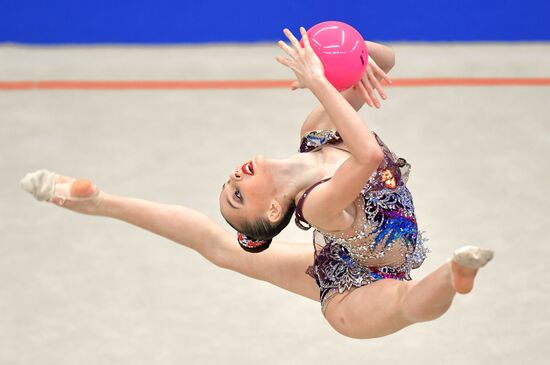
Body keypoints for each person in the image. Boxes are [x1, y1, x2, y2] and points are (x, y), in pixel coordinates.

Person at [20, 27, 493, 339]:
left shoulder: (316, 133)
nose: (234, 177)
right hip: (354, 299)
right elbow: (367, 155)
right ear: (273, 213)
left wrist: (352, 51)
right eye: (238, 196)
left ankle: (102, 201)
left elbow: (385, 63)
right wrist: (317, 80)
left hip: (344, 260)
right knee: (407, 302)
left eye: (229, 185)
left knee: (221, 249)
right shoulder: (319, 206)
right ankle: (456, 274)